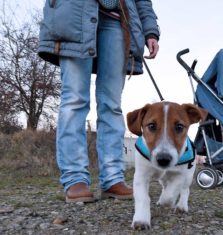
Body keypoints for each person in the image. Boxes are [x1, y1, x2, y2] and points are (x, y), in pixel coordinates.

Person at [38, 0, 160, 202]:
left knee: (112, 105)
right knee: (74, 100)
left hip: (117, 21)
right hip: (74, 13)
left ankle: (113, 178)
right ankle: (75, 179)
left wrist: (150, 31)